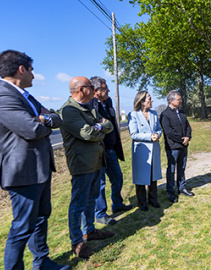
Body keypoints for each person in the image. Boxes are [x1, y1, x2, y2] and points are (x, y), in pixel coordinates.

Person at [0, 50, 68, 270]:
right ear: (22, 69)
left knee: (41, 218)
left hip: (40, 168)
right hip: (23, 172)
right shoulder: (1, 96)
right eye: (32, 70)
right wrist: (41, 121)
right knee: (22, 227)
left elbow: (56, 118)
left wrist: (43, 119)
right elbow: (32, 130)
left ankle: (42, 262)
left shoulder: (25, 95)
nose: (34, 75)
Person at [59, 76, 115, 259]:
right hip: (82, 164)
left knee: (92, 197)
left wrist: (97, 127)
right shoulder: (68, 110)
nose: (95, 90)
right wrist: (99, 129)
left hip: (97, 161)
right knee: (78, 203)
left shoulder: (89, 107)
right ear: (82, 89)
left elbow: (108, 125)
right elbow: (86, 133)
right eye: (91, 87)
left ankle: (89, 230)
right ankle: (77, 241)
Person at [88, 76, 132, 225]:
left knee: (117, 177)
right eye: (105, 88)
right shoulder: (90, 105)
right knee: (100, 184)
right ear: (96, 91)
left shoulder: (108, 103)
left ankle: (117, 204)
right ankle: (100, 214)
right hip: (98, 151)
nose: (108, 91)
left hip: (111, 149)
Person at [128, 91, 162, 211]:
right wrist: (149, 137)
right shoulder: (133, 115)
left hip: (154, 149)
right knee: (141, 177)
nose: (152, 100)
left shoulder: (153, 113)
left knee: (153, 176)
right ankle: (142, 203)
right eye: (149, 98)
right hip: (142, 151)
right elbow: (133, 134)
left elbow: (158, 129)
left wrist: (158, 135)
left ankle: (153, 200)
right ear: (142, 101)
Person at [160, 90, 194, 203]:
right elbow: (168, 132)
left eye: (180, 99)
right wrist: (181, 140)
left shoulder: (182, 112)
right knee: (171, 170)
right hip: (173, 147)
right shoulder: (165, 114)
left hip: (184, 145)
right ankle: (170, 191)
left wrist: (188, 137)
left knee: (182, 168)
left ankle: (182, 188)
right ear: (171, 100)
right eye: (179, 99)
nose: (181, 101)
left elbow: (188, 126)